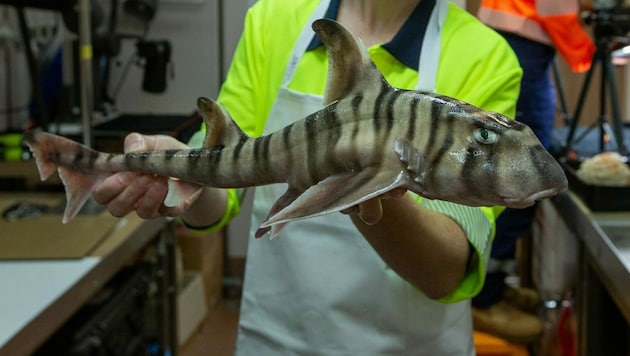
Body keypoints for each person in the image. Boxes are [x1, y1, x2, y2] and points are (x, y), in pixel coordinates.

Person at [93, 0, 521, 354]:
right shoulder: (273, 20)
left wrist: (363, 177)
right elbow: (220, 198)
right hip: (279, 338)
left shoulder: (484, 55)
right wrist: (184, 173)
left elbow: (445, 271)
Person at [472, 0, 594, 344]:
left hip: (518, 38)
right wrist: (586, 50)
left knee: (515, 164)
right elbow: (555, 7)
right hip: (521, 41)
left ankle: (491, 285)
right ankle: (485, 300)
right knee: (520, 172)